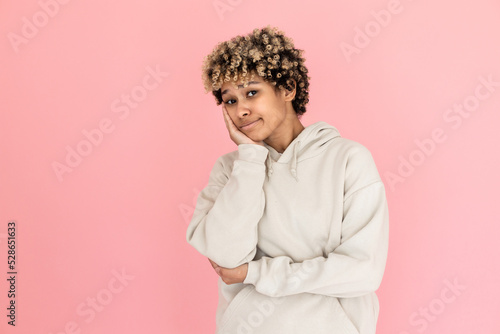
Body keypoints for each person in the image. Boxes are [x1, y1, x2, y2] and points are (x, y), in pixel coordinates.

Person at [186, 25, 389, 334]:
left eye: (252, 92)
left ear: (288, 89)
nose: (241, 110)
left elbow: (363, 271)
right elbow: (226, 258)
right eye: (229, 100)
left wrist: (255, 273)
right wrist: (251, 160)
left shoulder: (348, 160)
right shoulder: (231, 169)